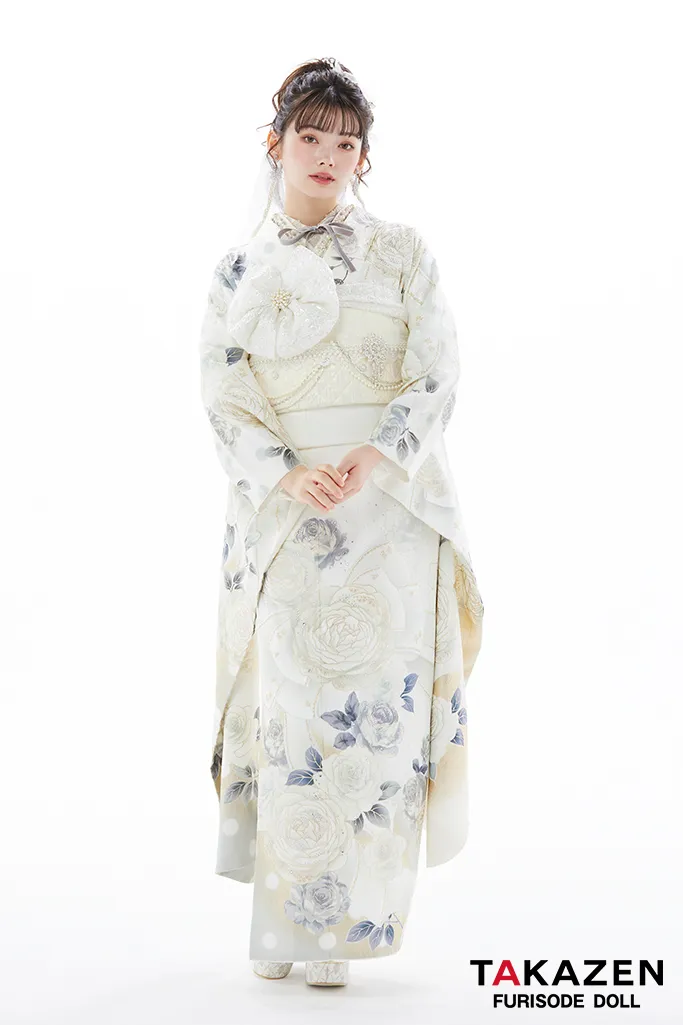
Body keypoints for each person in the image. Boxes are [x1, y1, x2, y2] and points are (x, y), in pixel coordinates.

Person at [198, 57, 484, 988]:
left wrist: (379, 451)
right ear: (275, 143)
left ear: (364, 156)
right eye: (311, 135)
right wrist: (284, 473)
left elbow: (436, 367)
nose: (328, 153)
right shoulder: (239, 268)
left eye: (347, 140)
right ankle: (288, 915)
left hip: (386, 511)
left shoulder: (401, 252)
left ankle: (344, 929)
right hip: (290, 513)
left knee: (373, 730)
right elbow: (225, 391)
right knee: (292, 716)